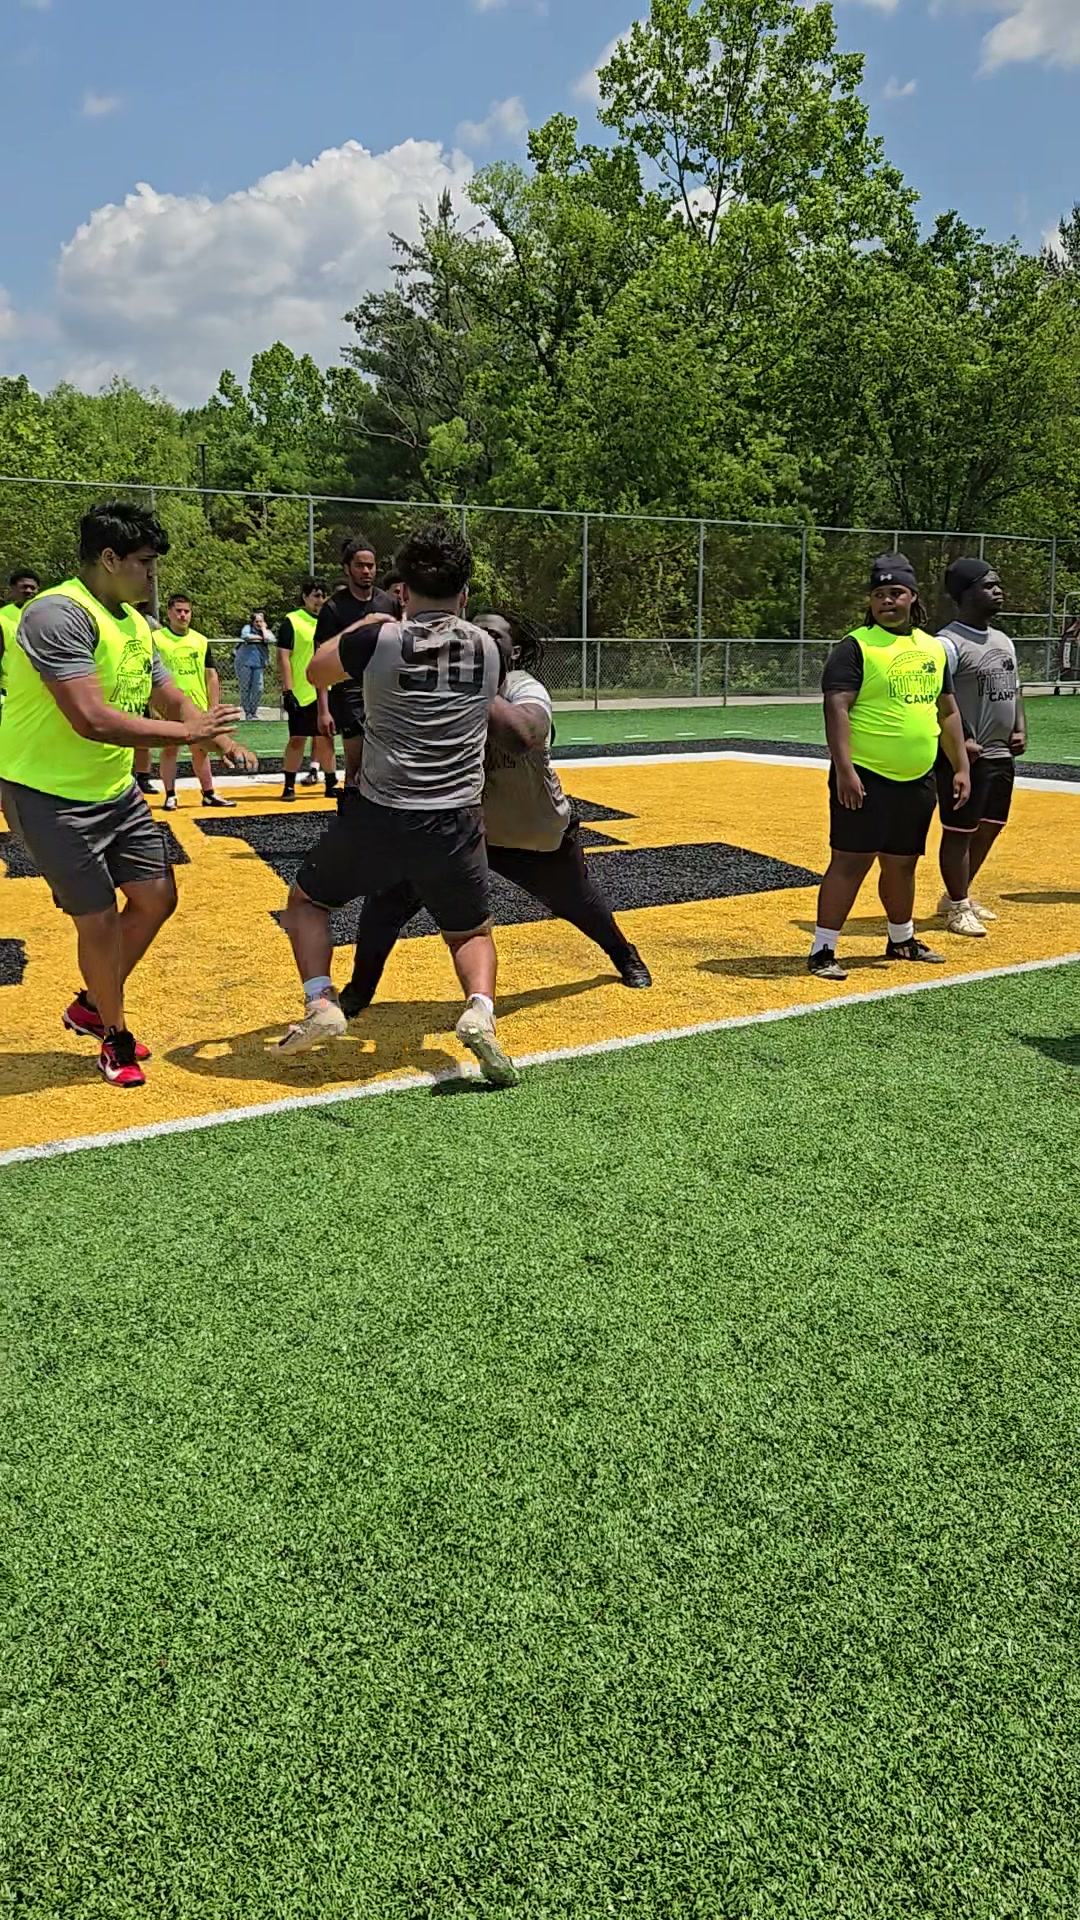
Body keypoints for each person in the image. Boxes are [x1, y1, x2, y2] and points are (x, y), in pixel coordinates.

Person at [0, 501, 254, 1088]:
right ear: (109, 558)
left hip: (113, 791)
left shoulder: (137, 622)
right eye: (144, 563)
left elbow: (169, 695)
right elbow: (91, 718)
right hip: (48, 796)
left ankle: (93, 1004)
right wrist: (186, 734)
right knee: (98, 922)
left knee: (156, 897)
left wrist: (217, 739)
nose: (153, 576)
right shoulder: (57, 614)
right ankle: (113, 1036)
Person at [279, 522, 517, 1086]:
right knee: (470, 932)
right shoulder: (491, 647)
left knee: (307, 902)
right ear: (464, 594)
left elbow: (315, 671)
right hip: (455, 816)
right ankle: (479, 1011)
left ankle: (321, 1001)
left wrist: (365, 623)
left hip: (381, 812)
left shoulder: (377, 639)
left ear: (402, 591)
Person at [340, 610, 652, 1016]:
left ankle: (623, 953)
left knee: (576, 901)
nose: (478, 639)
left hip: (525, 828)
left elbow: (525, 734)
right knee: (386, 902)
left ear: (514, 651)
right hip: (456, 828)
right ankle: (359, 989)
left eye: (492, 634)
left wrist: (467, 687)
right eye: (473, 632)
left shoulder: (524, 688)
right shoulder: (437, 687)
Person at [808, 552, 971, 982]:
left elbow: (947, 710)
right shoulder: (855, 646)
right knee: (851, 862)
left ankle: (902, 939)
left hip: (917, 779)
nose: (886, 600)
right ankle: (823, 949)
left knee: (902, 862)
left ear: (912, 597)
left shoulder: (933, 648)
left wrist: (961, 767)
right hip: (866, 776)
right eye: (879, 593)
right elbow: (837, 709)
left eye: (895, 592)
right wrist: (845, 770)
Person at [935, 557, 1026, 936]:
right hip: (965, 757)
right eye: (989, 586)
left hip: (1001, 754)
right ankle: (958, 907)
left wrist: (1020, 727)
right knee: (959, 830)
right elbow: (935, 700)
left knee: (990, 826)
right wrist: (960, 744)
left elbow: (1015, 689)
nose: (998, 591)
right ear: (966, 593)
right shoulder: (947, 643)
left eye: (998, 584)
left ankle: (957, 895)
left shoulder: (1003, 640)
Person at [312, 536, 397, 787]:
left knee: (384, 761)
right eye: (360, 565)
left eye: (370, 565)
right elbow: (319, 659)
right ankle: (350, 805)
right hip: (349, 691)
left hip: (383, 689)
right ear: (347, 568)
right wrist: (323, 710)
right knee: (356, 763)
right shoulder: (333, 608)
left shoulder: (388, 603)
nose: (366, 571)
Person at [154, 593, 237, 811]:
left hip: (198, 706)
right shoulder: (156, 639)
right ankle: (170, 795)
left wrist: (214, 707)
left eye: (186, 611)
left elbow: (211, 675)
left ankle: (208, 794)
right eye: (178, 611)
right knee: (170, 750)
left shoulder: (200, 640)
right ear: (169, 613)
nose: (183, 615)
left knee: (201, 750)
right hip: (169, 707)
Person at [276, 579, 337, 800]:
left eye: (323, 596)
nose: (320, 601)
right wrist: (287, 690)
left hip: (326, 690)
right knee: (297, 739)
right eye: (316, 596)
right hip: (302, 692)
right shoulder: (292, 620)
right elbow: (283, 657)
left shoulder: (331, 621)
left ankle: (331, 783)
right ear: (305, 597)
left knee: (326, 739)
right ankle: (289, 785)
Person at [0, 566, 41, 695]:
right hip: (9, 689)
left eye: (33, 588)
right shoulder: (2, 616)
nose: (29, 591)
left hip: (39, 688)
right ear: (13, 588)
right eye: (24, 587)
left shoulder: (46, 615)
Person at [235, 609, 273, 721]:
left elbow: (269, 639)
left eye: (261, 621)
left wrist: (263, 630)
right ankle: (248, 713)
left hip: (258, 663)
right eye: (257, 621)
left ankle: (253, 711)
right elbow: (245, 636)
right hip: (244, 662)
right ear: (252, 622)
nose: (259, 623)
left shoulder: (266, 631)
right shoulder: (247, 628)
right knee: (245, 687)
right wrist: (260, 638)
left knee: (259, 688)